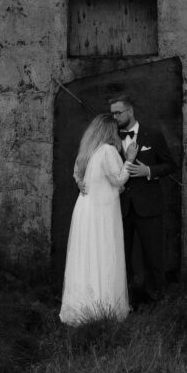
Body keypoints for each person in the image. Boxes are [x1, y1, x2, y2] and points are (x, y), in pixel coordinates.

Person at [60, 113, 138, 325]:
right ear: (110, 131)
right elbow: (118, 179)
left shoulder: (88, 150)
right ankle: (103, 308)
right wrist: (130, 159)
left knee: (86, 255)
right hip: (101, 212)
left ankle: (82, 306)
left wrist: (79, 183)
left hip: (85, 209)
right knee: (104, 253)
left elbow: (76, 172)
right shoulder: (108, 150)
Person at [109, 93, 176, 305]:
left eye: (118, 113)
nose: (115, 117)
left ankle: (157, 297)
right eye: (112, 114)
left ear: (130, 111)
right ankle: (124, 298)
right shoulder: (111, 138)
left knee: (153, 254)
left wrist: (148, 170)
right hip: (120, 207)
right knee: (121, 255)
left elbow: (169, 165)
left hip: (149, 206)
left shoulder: (153, 135)